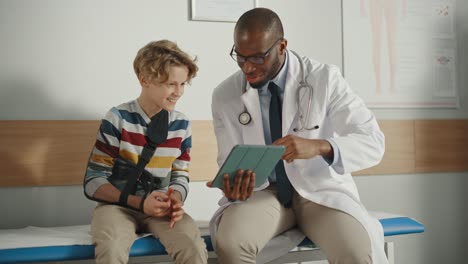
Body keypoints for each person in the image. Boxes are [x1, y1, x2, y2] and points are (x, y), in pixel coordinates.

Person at [208, 8, 388, 264]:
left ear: (282, 46)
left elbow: (372, 141)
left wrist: (319, 146)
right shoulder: (225, 94)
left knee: (357, 253)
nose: (248, 67)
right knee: (231, 244)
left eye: (258, 58)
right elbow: (228, 159)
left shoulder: (324, 79)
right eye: (240, 57)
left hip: (318, 191)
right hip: (264, 193)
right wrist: (234, 182)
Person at [83, 40, 208, 264]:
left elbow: (180, 176)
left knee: (193, 248)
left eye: (182, 84)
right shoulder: (118, 118)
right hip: (117, 207)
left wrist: (175, 200)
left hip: (160, 209)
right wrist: (141, 203)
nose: (178, 92)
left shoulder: (181, 124)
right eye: (171, 84)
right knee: (112, 249)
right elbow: (93, 181)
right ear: (145, 80)